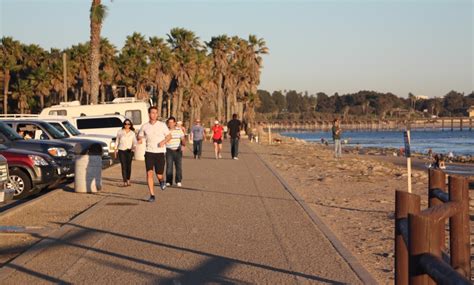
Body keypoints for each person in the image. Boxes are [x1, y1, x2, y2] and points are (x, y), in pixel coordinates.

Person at [138, 106, 172, 202]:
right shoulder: (144, 126)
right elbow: (140, 135)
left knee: (159, 174)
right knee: (149, 173)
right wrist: (139, 139)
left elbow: (169, 136)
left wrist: (163, 142)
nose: (154, 114)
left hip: (160, 153)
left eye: (156, 113)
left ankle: (161, 181)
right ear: (149, 114)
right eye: (152, 112)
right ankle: (152, 195)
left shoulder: (162, 125)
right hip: (149, 152)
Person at [115, 119, 137, 187]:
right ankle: (124, 181)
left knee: (128, 166)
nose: (127, 125)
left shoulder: (132, 133)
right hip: (121, 150)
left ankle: (128, 180)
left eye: (128, 124)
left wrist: (134, 147)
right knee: (123, 166)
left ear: (130, 125)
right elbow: (117, 141)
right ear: (124, 124)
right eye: (126, 124)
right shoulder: (120, 132)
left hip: (129, 151)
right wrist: (115, 150)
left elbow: (134, 142)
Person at [165, 117, 186, 187]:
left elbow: (183, 139)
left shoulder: (179, 130)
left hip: (178, 150)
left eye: (172, 122)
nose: (170, 124)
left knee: (178, 166)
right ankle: (168, 181)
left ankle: (178, 181)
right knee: (169, 166)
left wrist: (183, 145)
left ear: (174, 123)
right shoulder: (165, 131)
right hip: (169, 150)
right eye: (169, 122)